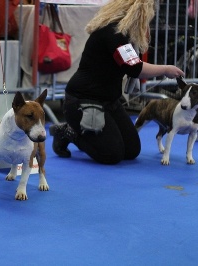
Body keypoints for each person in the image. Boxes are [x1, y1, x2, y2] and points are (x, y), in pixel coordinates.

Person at [49, 0, 185, 165]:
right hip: (82, 101)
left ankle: (88, 134)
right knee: (112, 154)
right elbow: (134, 68)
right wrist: (165, 69)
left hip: (108, 101)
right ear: (140, 14)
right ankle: (67, 132)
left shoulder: (123, 33)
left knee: (131, 150)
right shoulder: (112, 33)